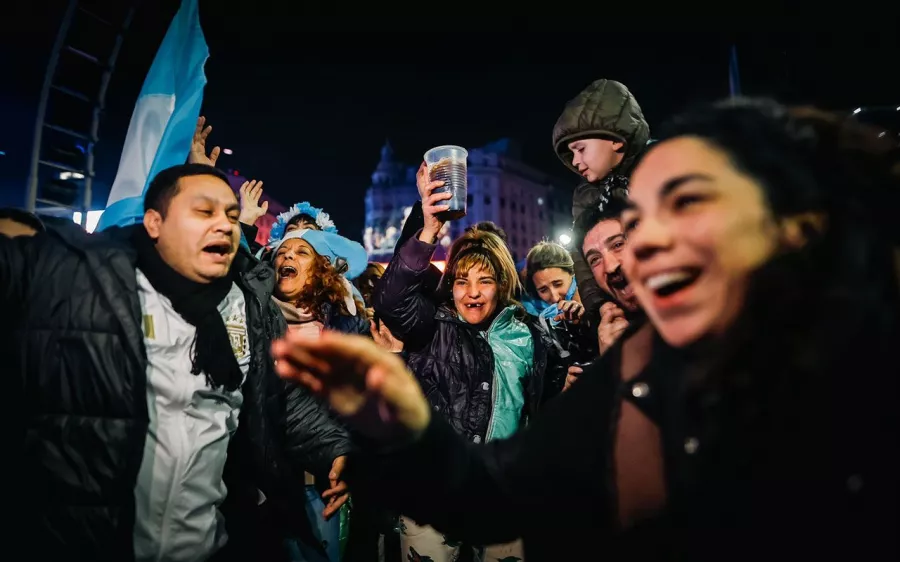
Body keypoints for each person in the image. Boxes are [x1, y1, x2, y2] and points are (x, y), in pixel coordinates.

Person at [273, 99, 899, 560]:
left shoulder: (865, 363)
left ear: (791, 220)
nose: (647, 243)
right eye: (638, 217)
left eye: (685, 202)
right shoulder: (638, 371)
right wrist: (398, 436)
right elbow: (490, 494)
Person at [2, 163, 352, 562]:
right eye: (204, 212)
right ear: (154, 223)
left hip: (207, 543)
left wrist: (332, 447)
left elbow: (275, 396)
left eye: (231, 215)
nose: (223, 224)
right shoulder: (90, 283)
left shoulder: (249, 307)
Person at [372, 171, 554, 562]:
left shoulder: (530, 336)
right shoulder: (433, 325)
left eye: (484, 281)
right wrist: (429, 226)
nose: (471, 293)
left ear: (502, 283)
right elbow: (390, 299)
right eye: (461, 281)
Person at [552, 79, 650, 322]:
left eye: (581, 149)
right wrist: (600, 305)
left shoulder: (657, 169)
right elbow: (582, 258)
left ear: (615, 139)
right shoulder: (586, 195)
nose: (575, 161)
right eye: (571, 153)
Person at [522, 241, 596, 401]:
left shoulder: (596, 302)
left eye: (558, 284)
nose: (554, 297)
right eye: (543, 290)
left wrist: (583, 324)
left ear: (573, 275)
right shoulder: (531, 325)